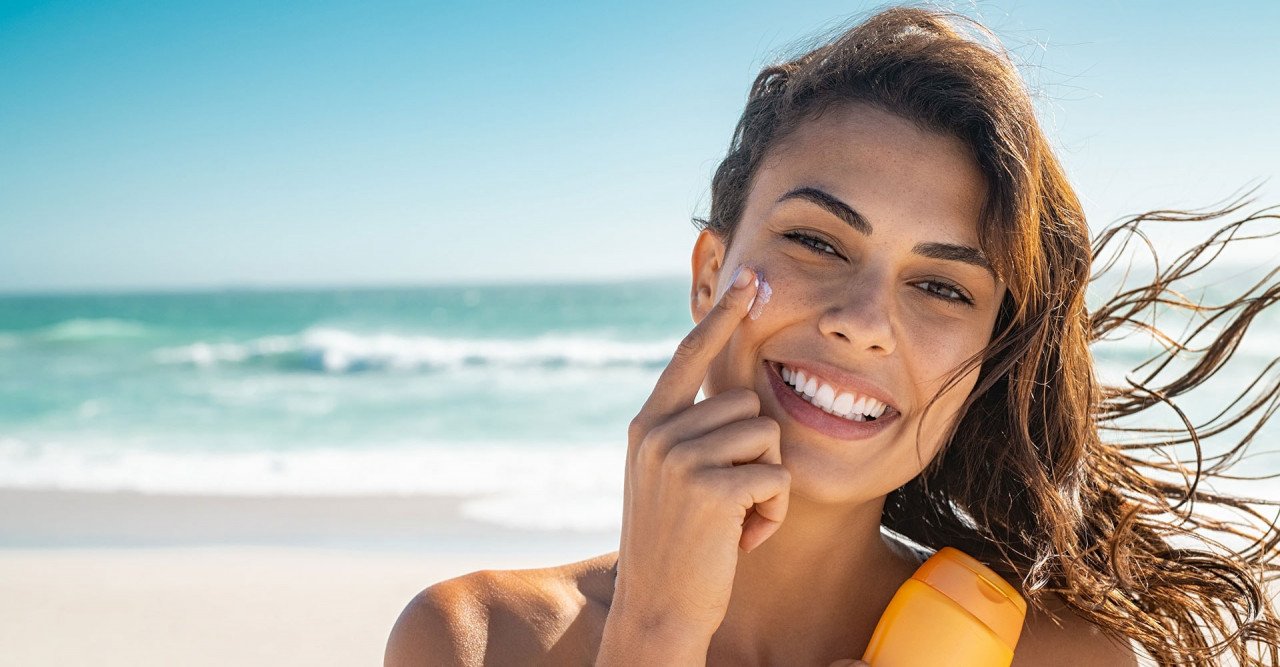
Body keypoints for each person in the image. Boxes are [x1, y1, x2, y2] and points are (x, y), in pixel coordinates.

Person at [386, 6, 1280, 665]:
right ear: (709, 273)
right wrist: (655, 634)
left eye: (939, 285)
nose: (860, 322)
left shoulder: (1053, 657)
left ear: (985, 357)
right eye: (817, 241)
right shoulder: (478, 639)